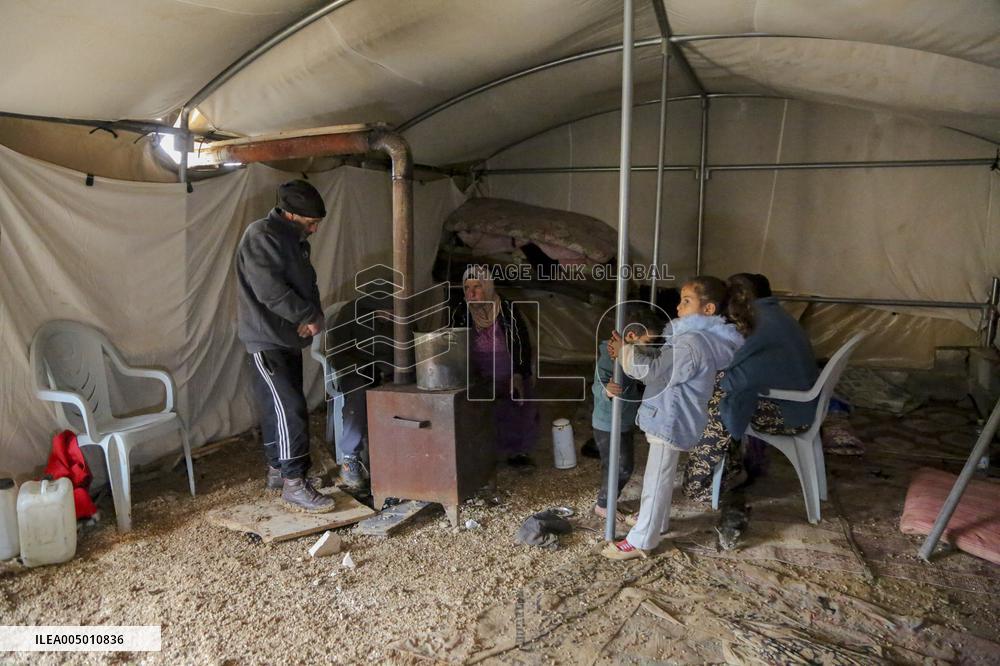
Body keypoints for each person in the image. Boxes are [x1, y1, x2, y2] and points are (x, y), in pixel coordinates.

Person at [602, 276, 747, 560]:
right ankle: (656, 522)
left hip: (671, 415)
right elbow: (666, 365)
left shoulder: (691, 342)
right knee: (663, 475)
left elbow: (655, 372)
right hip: (677, 413)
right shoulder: (703, 340)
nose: (679, 307)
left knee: (657, 478)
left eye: (686, 301)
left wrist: (625, 353)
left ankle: (642, 540)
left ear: (708, 309)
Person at [236, 179, 335, 513]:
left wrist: (312, 315)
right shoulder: (261, 236)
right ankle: (295, 483)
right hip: (266, 337)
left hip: (286, 336)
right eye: (310, 222)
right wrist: (307, 315)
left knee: (277, 406)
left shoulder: (294, 240)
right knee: (290, 407)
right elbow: (270, 291)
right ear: (290, 214)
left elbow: (305, 284)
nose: (315, 229)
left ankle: (278, 472)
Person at [682, 273, 819, 503]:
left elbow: (736, 375)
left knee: (716, 403)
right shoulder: (774, 316)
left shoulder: (759, 324)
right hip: (801, 406)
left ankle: (700, 485)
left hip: (790, 413)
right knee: (722, 394)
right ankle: (727, 471)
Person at [452, 265, 538, 466]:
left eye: (477, 287)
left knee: (516, 405)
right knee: (481, 410)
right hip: (478, 371)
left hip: (508, 368)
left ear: (488, 287)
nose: (471, 293)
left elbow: (520, 343)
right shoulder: (461, 311)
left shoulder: (506, 309)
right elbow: (455, 342)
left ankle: (518, 452)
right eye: (467, 288)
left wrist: (518, 373)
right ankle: (486, 452)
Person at [591, 306, 662, 519]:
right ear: (631, 336)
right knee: (619, 467)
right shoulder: (610, 355)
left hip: (624, 420)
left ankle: (608, 500)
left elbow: (651, 360)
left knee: (621, 464)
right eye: (648, 342)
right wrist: (606, 390)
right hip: (607, 422)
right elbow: (597, 383)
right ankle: (603, 505)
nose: (651, 347)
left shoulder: (636, 353)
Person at [325, 293, 395, 490]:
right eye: (385, 311)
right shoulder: (350, 314)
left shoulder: (402, 316)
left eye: (393, 311)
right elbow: (338, 354)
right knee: (357, 395)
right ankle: (350, 458)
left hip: (389, 369)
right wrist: (364, 367)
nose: (389, 315)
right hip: (357, 369)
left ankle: (400, 454)